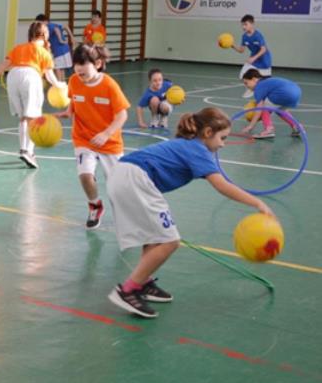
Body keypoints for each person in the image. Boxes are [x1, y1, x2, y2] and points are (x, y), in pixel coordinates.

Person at [106, 107, 274, 318]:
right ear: (207, 133)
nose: (222, 144)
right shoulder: (198, 149)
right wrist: (257, 203)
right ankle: (128, 290)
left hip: (125, 175)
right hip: (134, 178)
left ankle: (143, 281)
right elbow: (222, 185)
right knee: (170, 241)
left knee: (155, 236)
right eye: (222, 138)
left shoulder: (190, 146)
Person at [57, 44, 129, 229]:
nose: (79, 74)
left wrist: (106, 133)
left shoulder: (109, 85)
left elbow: (122, 115)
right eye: (77, 69)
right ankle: (95, 205)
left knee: (116, 187)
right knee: (85, 175)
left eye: (84, 70)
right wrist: (68, 111)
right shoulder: (74, 81)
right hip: (83, 138)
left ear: (97, 64)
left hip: (110, 143)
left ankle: (124, 212)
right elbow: (74, 99)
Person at [0, 21, 65, 168]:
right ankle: (29, 152)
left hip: (13, 77)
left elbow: (4, 64)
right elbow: (49, 74)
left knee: (23, 118)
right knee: (33, 118)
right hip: (30, 77)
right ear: (45, 35)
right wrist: (59, 85)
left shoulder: (18, 48)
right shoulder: (44, 52)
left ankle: (23, 149)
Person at [240, 69, 302, 139]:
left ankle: (269, 129)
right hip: (296, 92)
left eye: (246, 83)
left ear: (254, 79)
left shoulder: (259, 87)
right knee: (280, 110)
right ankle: (297, 126)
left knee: (264, 107)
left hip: (284, 92)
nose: (246, 86)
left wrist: (250, 126)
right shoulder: (266, 82)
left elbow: (259, 109)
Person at [232, 14, 272, 86]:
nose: (243, 27)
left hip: (264, 60)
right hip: (253, 60)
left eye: (245, 24)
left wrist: (253, 58)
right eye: (242, 25)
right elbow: (241, 50)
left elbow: (263, 49)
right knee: (242, 76)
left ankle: (257, 87)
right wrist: (232, 45)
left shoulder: (258, 35)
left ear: (252, 24)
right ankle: (252, 88)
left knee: (266, 82)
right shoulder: (244, 36)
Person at [35, 14, 74, 81]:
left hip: (59, 51)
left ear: (45, 21)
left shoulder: (48, 26)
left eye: (39, 22)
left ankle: (59, 84)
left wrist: (60, 40)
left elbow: (56, 30)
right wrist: (72, 37)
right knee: (61, 68)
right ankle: (62, 84)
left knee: (57, 68)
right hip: (64, 50)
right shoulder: (53, 24)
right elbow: (66, 26)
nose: (39, 25)